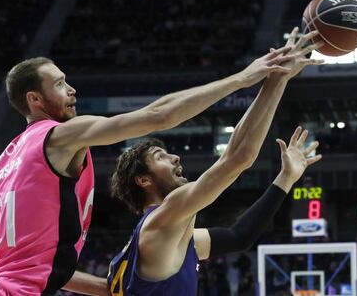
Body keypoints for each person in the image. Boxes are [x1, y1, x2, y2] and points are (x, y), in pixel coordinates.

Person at [0, 27, 307, 295]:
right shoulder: (61, 136)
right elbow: (165, 119)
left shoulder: (7, 160)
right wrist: (249, 78)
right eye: (59, 84)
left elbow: (239, 236)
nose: (71, 90)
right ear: (34, 99)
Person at [107, 28, 323, 295]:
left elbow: (239, 237)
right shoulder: (162, 219)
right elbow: (237, 157)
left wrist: (286, 178)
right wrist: (277, 80)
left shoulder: (164, 239)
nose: (175, 157)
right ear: (143, 180)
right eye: (159, 157)